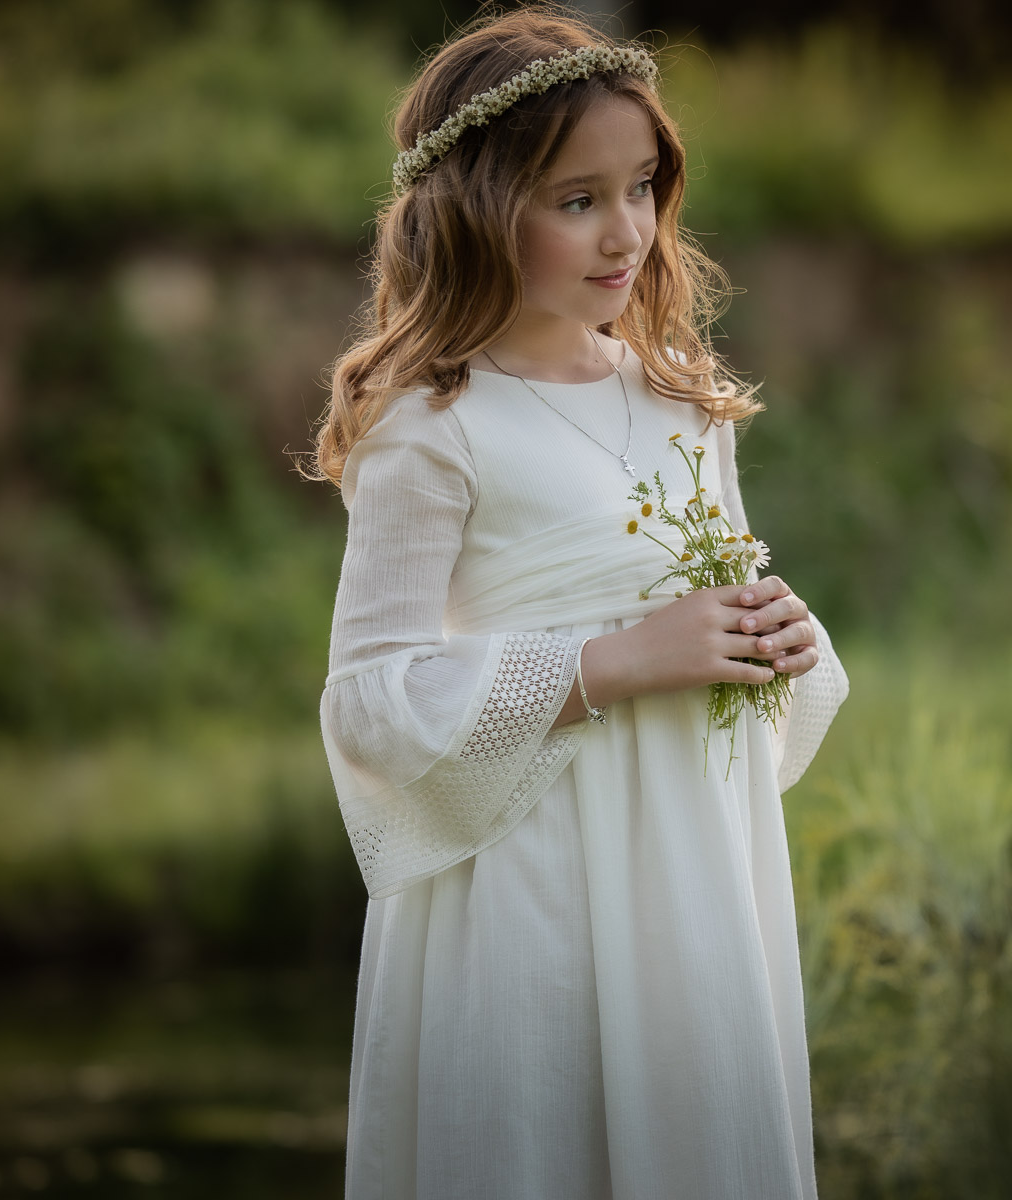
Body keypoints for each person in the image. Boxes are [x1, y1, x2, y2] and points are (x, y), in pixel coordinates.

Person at [305, 6, 849, 1196]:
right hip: (530, 884)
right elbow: (370, 706)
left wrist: (781, 641)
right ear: (477, 209)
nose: (628, 233)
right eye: (577, 200)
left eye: (643, 186)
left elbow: (706, 625)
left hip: (691, 871)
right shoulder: (430, 424)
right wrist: (609, 664)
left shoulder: (681, 398)